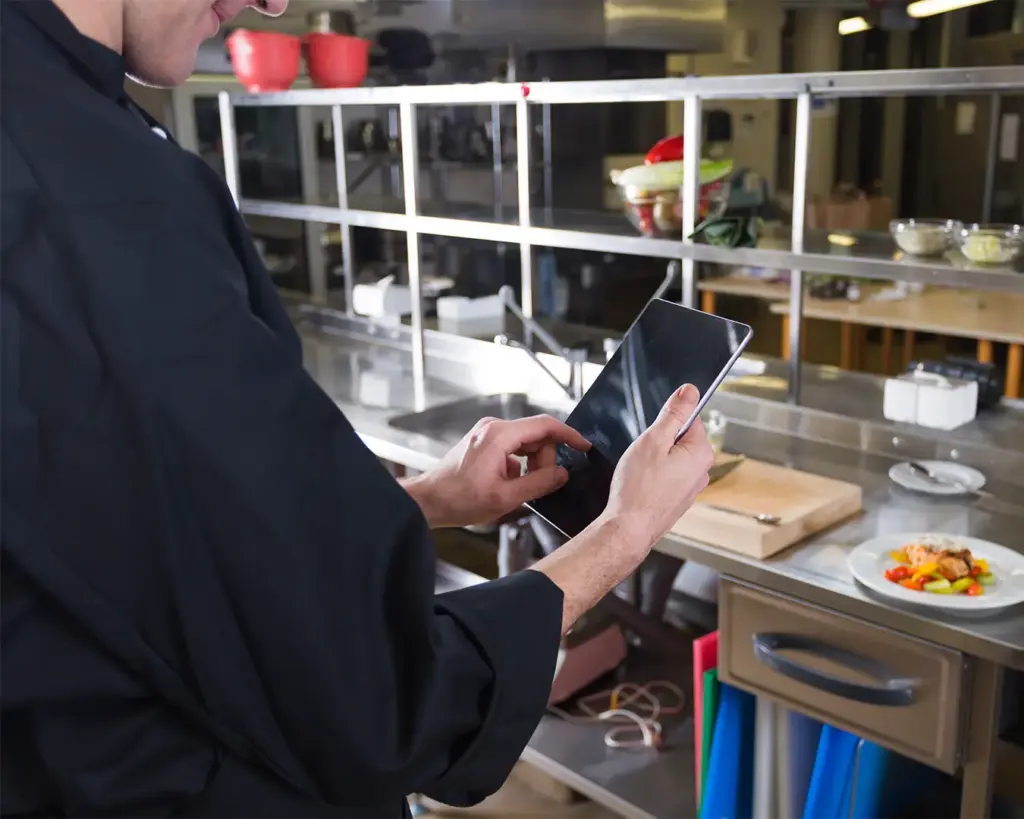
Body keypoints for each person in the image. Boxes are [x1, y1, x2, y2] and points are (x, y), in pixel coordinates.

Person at [0, 0, 715, 815]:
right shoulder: (96, 196)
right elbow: (379, 699)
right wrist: (620, 534)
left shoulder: (47, 112)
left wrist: (429, 499)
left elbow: (145, 545)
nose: (271, 5)